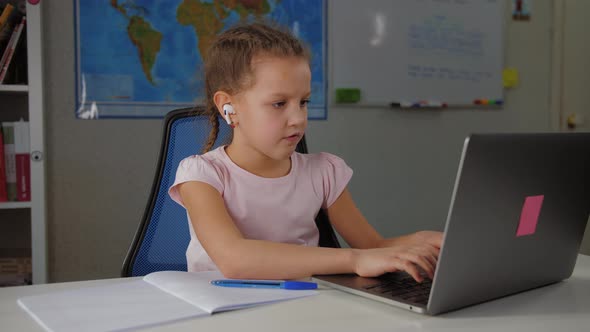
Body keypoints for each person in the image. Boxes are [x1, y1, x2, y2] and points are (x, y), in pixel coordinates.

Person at [169, 22, 442, 282]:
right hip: (218, 311)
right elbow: (234, 259)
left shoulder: (324, 172)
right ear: (228, 107)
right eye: (279, 103)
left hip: (298, 305)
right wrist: (355, 260)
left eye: (303, 102)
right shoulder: (201, 174)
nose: (298, 118)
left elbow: (374, 245)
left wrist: (421, 241)